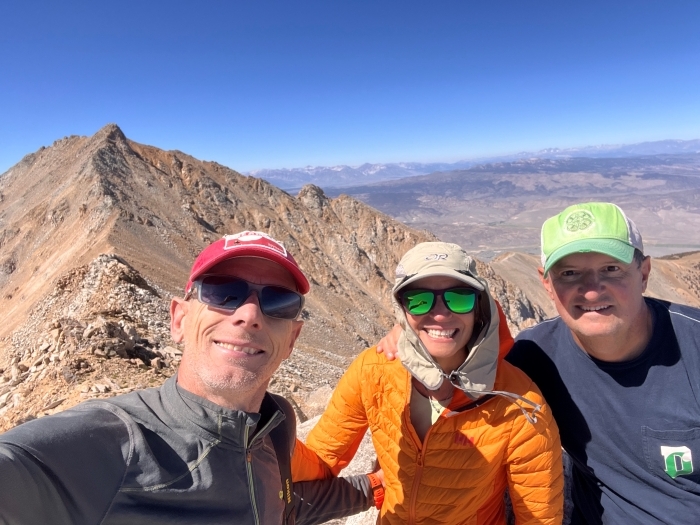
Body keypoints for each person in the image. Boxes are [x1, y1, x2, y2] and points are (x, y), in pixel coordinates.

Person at [0, 231, 375, 524]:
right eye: (224, 292)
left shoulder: (275, 425)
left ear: (292, 339)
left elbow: (280, 508)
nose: (249, 315)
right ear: (179, 319)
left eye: (278, 301)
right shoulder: (112, 442)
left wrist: (372, 487)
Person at [294, 241, 563, 524]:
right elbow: (321, 460)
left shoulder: (519, 404)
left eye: (459, 298)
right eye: (419, 299)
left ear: (479, 308)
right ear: (402, 309)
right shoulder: (373, 371)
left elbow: (539, 518)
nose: (441, 314)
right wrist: (271, 441)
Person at [505, 202, 700, 524]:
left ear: (644, 273)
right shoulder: (533, 356)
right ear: (547, 284)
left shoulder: (693, 345)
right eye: (570, 273)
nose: (592, 291)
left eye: (611, 269)